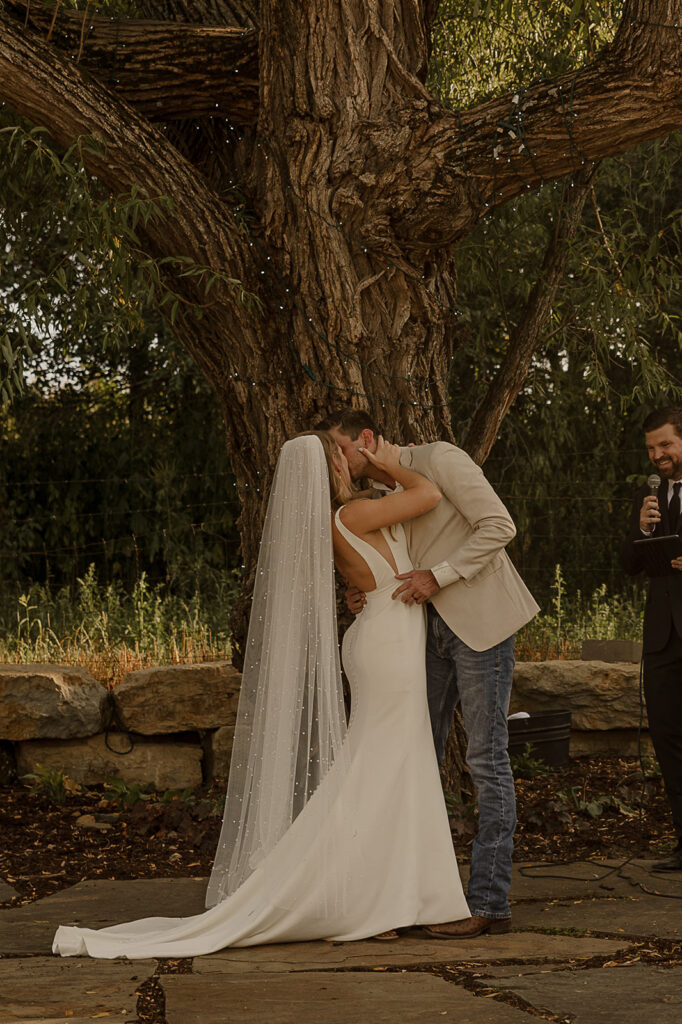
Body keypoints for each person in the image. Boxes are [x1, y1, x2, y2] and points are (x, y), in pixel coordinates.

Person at [52, 432, 470, 958]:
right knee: (378, 768)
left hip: (382, 640)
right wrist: (390, 462)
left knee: (391, 767)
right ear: (331, 467)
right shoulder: (353, 514)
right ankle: (356, 891)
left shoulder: (337, 520)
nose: (351, 460)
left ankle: (397, 890)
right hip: (388, 648)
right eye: (342, 455)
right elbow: (429, 494)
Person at [316, 408, 539, 937]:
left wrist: (439, 576)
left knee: (486, 758)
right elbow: (384, 555)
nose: (338, 461)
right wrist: (361, 588)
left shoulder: (441, 458)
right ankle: (413, 896)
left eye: (341, 449)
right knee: (416, 757)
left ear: (366, 440)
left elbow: (499, 526)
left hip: (480, 625)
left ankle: (489, 903)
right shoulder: (370, 501)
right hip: (417, 634)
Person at [622, 406, 682, 872]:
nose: (657, 454)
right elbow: (628, 563)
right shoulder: (651, 496)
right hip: (663, 636)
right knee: (668, 737)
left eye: (665, 444)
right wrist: (641, 528)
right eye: (651, 448)